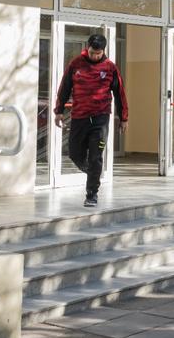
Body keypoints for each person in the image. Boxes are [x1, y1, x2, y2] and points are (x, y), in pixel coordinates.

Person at [54, 33, 129, 207]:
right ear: (87, 48)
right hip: (79, 116)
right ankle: (93, 173)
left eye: (98, 53)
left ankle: (91, 194)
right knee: (74, 154)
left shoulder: (110, 68)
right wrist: (58, 111)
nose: (95, 56)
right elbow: (64, 88)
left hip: (100, 118)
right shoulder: (76, 64)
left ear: (103, 51)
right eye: (92, 52)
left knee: (96, 157)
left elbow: (120, 94)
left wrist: (124, 117)